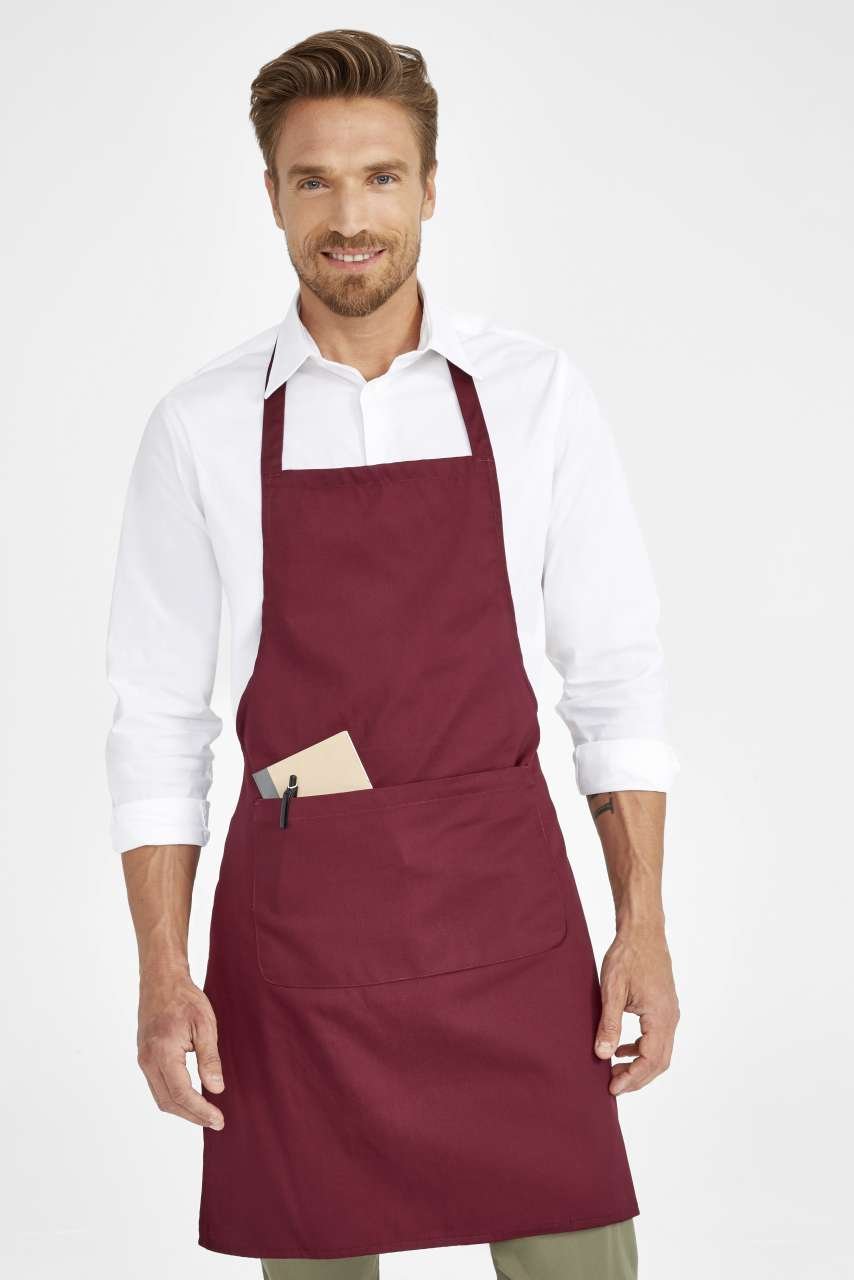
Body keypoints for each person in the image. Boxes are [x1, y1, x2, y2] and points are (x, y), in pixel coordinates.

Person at [106, 27, 681, 1280]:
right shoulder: (202, 426)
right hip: (300, 932)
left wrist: (639, 923)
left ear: (428, 187)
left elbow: (612, 674)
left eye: (379, 176)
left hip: (507, 918)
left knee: (579, 1261)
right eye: (313, 180)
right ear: (271, 196)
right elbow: (156, 717)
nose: (349, 215)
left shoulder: (533, 395)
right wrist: (161, 970)